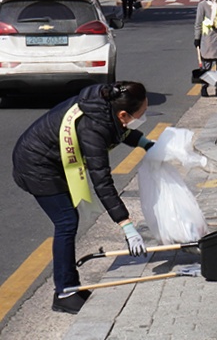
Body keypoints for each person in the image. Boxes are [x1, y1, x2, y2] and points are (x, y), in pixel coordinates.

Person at [13, 81, 154, 314]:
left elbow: (120, 129)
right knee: (66, 221)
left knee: (69, 220)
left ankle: (72, 285)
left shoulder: (105, 105)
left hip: (50, 160)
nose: (145, 116)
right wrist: (126, 225)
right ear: (123, 113)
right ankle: (65, 292)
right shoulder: (93, 127)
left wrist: (145, 143)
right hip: (36, 164)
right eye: (142, 113)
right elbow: (102, 182)